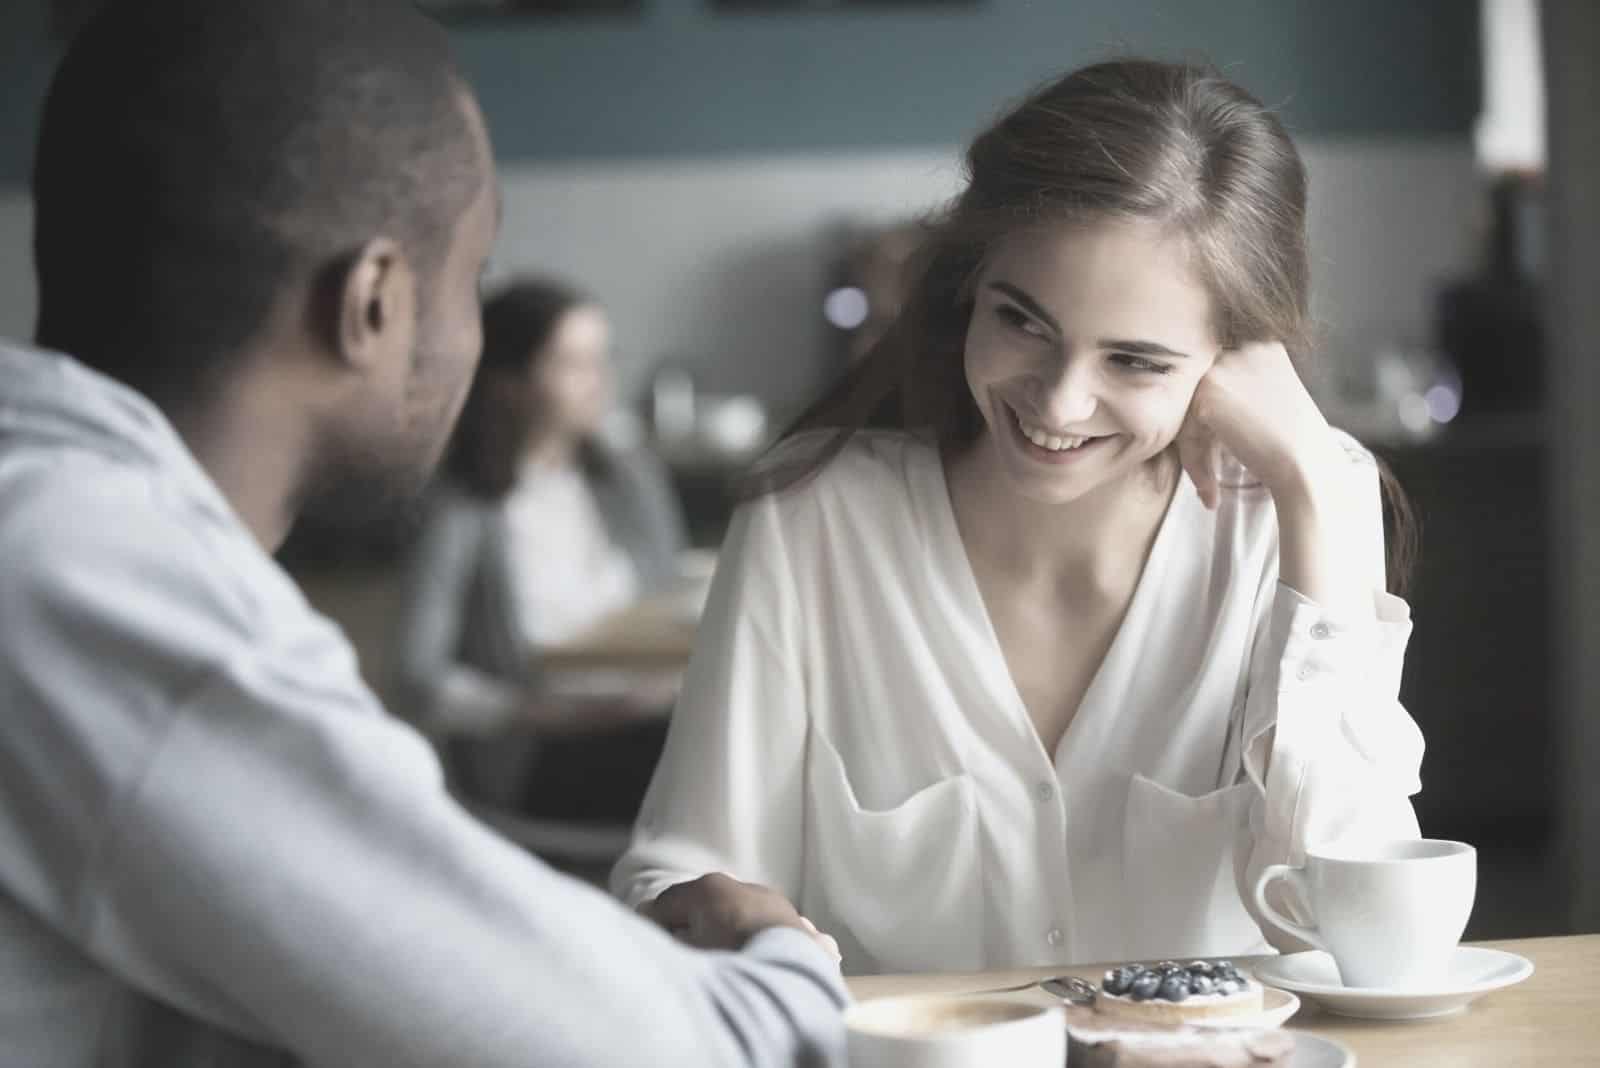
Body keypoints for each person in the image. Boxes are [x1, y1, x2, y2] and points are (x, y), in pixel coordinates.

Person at [0, 2, 846, 1066]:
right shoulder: (93, 579)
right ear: (373, 302)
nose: (474, 335)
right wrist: (785, 948)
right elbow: (679, 1054)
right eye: (472, 275)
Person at [613, 58, 1427, 975]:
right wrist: (732, 924)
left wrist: (1314, 488)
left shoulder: (1286, 519)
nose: (1060, 405)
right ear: (971, 283)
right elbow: (685, 876)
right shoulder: (814, 520)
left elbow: (1356, 931)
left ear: (1233, 360)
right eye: (1023, 322)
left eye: (1137, 361)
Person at [393, 278, 686, 823]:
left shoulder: (627, 479)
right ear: (508, 382)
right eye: (572, 365)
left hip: (647, 719)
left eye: (603, 360)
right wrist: (545, 714)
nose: (599, 383)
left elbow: (668, 606)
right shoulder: (462, 506)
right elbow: (418, 678)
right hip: (537, 750)